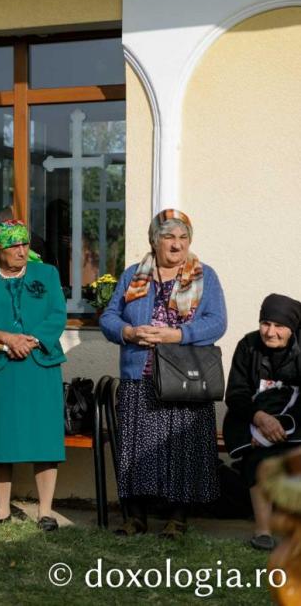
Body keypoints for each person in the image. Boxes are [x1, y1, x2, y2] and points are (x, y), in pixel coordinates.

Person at [100, 209, 227, 539]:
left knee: (183, 448)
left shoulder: (205, 276)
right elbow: (109, 317)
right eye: (169, 236)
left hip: (184, 375)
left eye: (183, 237)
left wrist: (178, 335)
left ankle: (178, 518)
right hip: (139, 375)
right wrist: (128, 333)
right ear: (154, 240)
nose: (177, 244)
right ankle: (136, 517)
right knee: (136, 448)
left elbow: (217, 322)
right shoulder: (133, 275)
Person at [0, 220, 67, 531]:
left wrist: (30, 340)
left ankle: (45, 511)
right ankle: (1, 509)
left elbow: (57, 314)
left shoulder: (47, 274)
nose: (23, 250)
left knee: (45, 438)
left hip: (40, 366)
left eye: (25, 244)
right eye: (14, 246)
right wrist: (6, 338)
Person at [223, 294, 301, 551]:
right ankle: (263, 531)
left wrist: (283, 425)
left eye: (279, 326)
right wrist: (259, 420)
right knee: (258, 459)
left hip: (295, 425)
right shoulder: (248, 345)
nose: (271, 332)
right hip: (252, 424)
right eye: (265, 323)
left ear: (292, 328)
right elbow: (236, 394)